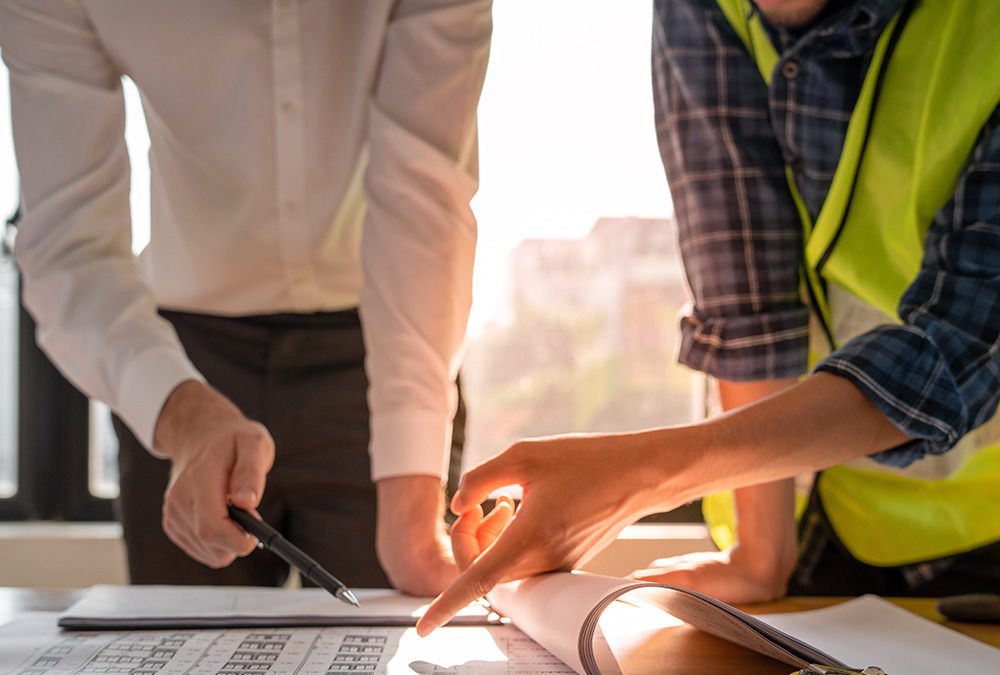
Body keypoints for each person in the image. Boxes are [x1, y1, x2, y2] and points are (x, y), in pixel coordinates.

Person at [416, 0, 1000, 635]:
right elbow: (745, 292)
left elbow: (956, 342)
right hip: (811, 527)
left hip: (980, 524)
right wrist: (760, 551)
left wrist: (637, 478)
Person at [1, 0, 491, 595]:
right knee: (187, 672)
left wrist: (415, 512)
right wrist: (182, 415)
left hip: (382, 354)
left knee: (387, 656)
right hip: (179, 369)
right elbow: (68, 244)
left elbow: (424, 196)